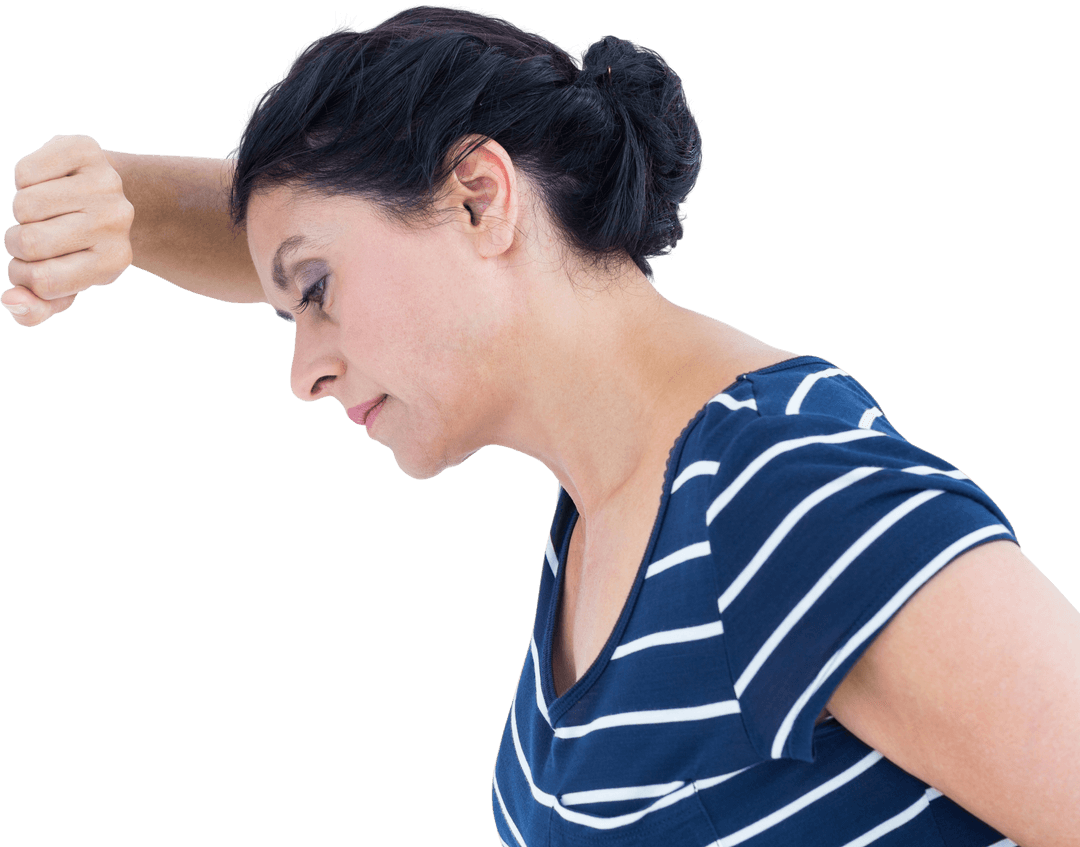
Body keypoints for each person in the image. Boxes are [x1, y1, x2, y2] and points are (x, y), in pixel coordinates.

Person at [4, 6, 1077, 846]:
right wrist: (125, 201)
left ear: (481, 198)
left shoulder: (781, 498)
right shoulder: (620, 514)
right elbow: (329, 205)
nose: (304, 374)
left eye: (316, 291)